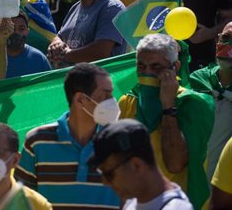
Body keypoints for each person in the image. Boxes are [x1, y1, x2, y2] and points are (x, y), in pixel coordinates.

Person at [118, 34, 214, 209]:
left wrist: (168, 106)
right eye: (141, 65)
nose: (147, 72)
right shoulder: (128, 101)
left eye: (156, 67)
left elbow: (175, 164)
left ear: (175, 67)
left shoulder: (193, 103)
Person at [16, 63, 121, 208]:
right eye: (105, 95)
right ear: (80, 100)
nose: (112, 101)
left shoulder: (122, 142)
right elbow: (22, 200)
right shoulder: (37, 141)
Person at [90, 119, 194, 210]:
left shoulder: (175, 208)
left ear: (136, 165)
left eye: (109, 174)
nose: (104, 182)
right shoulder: (132, 203)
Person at [189, 21, 232, 180]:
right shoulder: (199, 78)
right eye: (225, 38)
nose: (228, 45)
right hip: (196, 177)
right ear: (216, 42)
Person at [0, 12, 51, 78]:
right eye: (12, 28)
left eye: (21, 28)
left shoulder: (39, 59)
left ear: (27, 31)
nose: (17, 32)